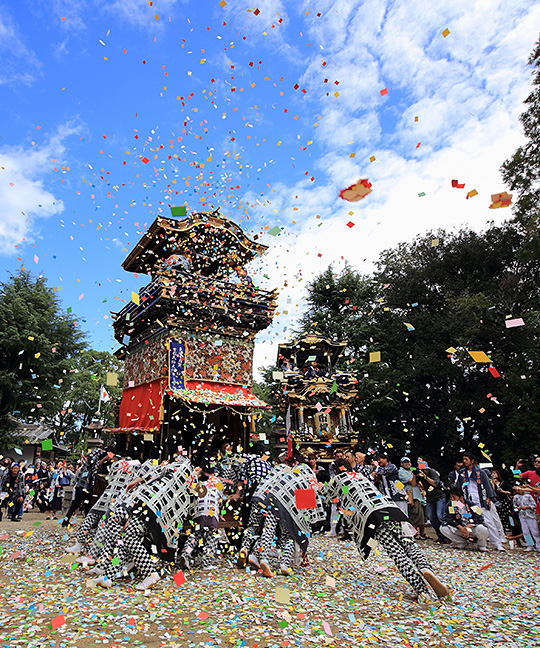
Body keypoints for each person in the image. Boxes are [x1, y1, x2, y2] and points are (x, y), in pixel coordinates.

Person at [322, 460, 449, 602]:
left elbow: (327, 496)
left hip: (374, 515)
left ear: (336, 471)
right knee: (409, 543)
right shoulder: (360, 476)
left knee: (397, 553)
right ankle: (426, 569)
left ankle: (422, 590)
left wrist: (321, 486)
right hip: (391, 508)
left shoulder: (338, 479)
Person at [180, 469, 224, 570]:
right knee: (211, 537)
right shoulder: (217, 481)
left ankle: (185, 555)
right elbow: (221, 496)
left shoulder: (196, 484)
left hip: (198, 512)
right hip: (211, 512)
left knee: (195, 536)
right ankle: (206, 563)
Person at [458, 452, 504, 551]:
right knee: (468, 520)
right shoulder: (462, 473)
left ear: (472, 461)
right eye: (464, 459)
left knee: (489, 522)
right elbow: (458, 487)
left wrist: (488, 498)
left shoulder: (480, 472)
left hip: (480, 500)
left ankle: (497, 543)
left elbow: (487, 486)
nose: (464, 461)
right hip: (468, 501)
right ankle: (470, 541)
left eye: (466, 459)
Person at [62, 446, 112, 526]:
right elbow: (95, 466)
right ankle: (67, 521)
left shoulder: (98, 454)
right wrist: (104, 459)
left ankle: (86, 522)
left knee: (86, 503)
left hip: (87, 484)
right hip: (84, 483)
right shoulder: (97, 455)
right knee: (78, 503)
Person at [440, 487, 489, 551]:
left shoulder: (471, 504)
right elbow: (448, 518)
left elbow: (479, 517)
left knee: (482, 529)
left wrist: (468, 526)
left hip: (472, 528)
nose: (452, 499)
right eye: (451, 497)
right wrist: (461, 528)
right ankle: (462, 542)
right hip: (460, 528)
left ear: (461, 498)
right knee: (443, 528)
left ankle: (481, 545)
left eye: (454, 498)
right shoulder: (450, 505)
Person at [415, 456, 449, 544]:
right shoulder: (419, 475)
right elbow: (414, 484)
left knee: (440, 516)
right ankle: (440, 535)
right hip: (430, 498)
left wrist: (425, 477)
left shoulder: (432, 472)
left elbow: (435, 484)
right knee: (431, 517)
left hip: (439, 496)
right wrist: (415, 476)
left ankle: (447, 536)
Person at [399, 458, 427, 540]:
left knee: (422, 516)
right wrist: (417, 476)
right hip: (412, 496)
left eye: (409, 462)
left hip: (419, 496)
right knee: (414, 516)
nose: (407, 464)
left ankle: (422, 534)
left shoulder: (412, 471)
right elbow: (411, 481)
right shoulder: (401, 472)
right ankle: (412, 534)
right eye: (405, 462)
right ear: (401, 464)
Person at [513, 485, 540, 551]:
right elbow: (514, 505)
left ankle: (538, 545)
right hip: (522, 515)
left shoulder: (529, 496)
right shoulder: (516, 497)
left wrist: (527, 507)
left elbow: (534, 505)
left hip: (530, 515)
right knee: (525, 531)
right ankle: (530, 545)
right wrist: (518, 508)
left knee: (534, 531)